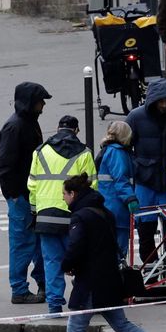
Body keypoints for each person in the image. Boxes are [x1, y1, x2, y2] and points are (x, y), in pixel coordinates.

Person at [59, 173, 166, 332]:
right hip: (110, 279)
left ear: (73, 194)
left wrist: (66, 264)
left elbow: (76, 248)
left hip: (91, 282)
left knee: (75, 329)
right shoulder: (104, 212)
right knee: (121, 324)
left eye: (64, 195)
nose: (64, 200)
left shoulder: (80, 217)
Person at [28, 115, 96, 314]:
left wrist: (35, 210)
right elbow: (92, 185)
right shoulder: (84, 153)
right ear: (76, 131)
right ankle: (83, 299)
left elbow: (32, 184)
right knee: (81, 259)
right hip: (73, 215)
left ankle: (54, 304)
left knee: (51, 261)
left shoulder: (40, 152)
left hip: (46, 215)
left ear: (57, 129)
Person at [0, 81, 50, 304]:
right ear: (30, 102)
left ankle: (36, 284)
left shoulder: (24, 123)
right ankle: (19, 289)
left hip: (27, 194)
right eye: (40, 101)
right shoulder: (17, 127)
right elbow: (5, 166)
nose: (43, 104)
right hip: (22, 195)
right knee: (24, 243)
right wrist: (15, 195)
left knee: (33, 241)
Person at [125, 78, 166, 267]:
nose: (164, 105)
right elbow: (125, 147)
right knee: (145, 230)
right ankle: (151, 269)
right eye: (161, 101)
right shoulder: (136, 117)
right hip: (146, 182)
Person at [95, 120, 137, 260]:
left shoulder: (107, 150)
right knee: (119, 250)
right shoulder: (117, 152)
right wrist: (130, 198)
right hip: (117, 207)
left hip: (107, 205)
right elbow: (121, 179)